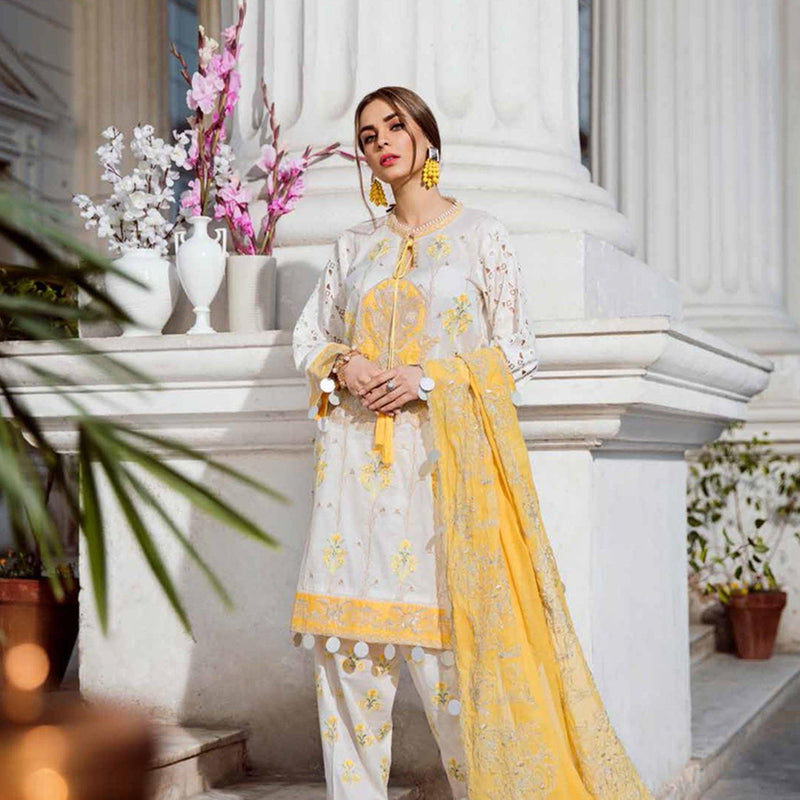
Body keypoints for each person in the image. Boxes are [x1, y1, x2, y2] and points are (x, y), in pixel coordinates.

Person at [291, 86, 654, 800]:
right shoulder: (354, 246)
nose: (381, 142)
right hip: (352, 480)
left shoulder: (481, 235)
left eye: (394, 126)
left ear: (426, 136)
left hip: (442, 477)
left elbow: (517, 351)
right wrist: (345, 362)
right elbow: (310, 336)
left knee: (452, 670)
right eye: (367, 136)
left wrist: (428, 378)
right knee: (347, 664)